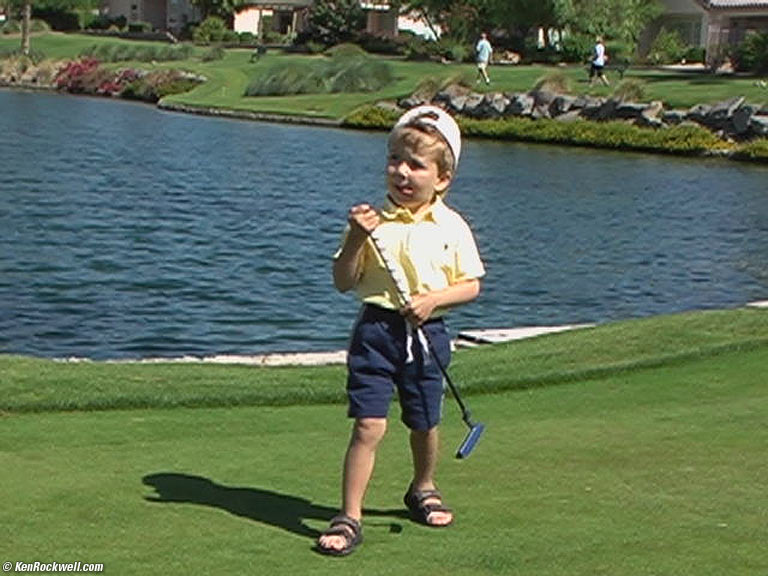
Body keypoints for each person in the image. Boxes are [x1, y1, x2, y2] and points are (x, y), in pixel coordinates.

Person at [316, 105, 485, 556]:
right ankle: (350, 515)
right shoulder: (373, 222)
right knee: (369, 425)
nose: (402, 172)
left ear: (442, 178)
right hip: (376, 332)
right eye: (395, 160)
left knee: (424, 422)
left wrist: (433, 300)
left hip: (427, 334)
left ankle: (422, 486)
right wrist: (355, 238)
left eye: (416, 165)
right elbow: (343, 281)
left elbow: (470, 285)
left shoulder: (452, 226)